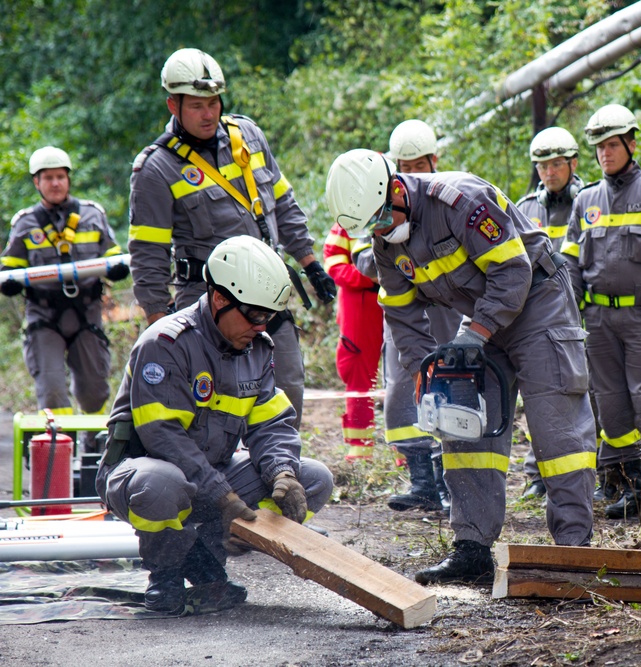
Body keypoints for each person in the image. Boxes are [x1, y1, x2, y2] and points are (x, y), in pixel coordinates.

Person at [326, 149, 596, 585]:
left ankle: (573, 548)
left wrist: (476, 333)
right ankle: (472, 548)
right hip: (479, 320)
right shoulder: (384, 245)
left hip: (536, 303)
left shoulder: (459, 201)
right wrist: (426, 376)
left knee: (555, 426)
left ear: (395, 190)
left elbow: (512, 272)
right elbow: (402, 317)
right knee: (464, 423)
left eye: (380, 219)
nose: (379, 231)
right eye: (370, 228)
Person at [96, 236, 335, 615]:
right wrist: (222, 495)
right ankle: (166, 573)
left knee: (315, 478)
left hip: (213, 474)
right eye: (255, 315)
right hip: (146, 472)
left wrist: (283, 472)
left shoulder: (257, 349)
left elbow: (271, 424)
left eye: (268, 317)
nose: (261, 326)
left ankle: (205, 556)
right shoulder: (164, 344)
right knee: (164, 485)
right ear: (220, 298)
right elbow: (164, 438)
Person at [127, 48, 336, 429]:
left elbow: (283, 204)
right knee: (215, 404)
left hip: (270, 299)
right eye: (196, 106)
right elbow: (148, 256)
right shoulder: (156, 169)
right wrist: (160, 325)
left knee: (287, 391)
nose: (209, 114)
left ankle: (280, 479)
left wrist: (310, 263)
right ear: (173, 105)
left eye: (213, 102)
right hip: (209, 306)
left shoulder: (249, 137)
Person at [561, 104, 641, 521]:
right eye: (599, 147)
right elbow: (569, 264)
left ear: (631, 145)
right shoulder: (585, 200)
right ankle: (630, 491)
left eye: (613, 144)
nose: (606, 153)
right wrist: (569, 313)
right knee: (612, 408)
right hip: (598, 322)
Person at [351, 119, 462, 511]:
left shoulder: (448, 199)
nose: (412, 173)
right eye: (406, 165)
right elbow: (366, 256)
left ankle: (451, 484)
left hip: (447, 313)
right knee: (402, 391)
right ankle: (422, 483)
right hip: (403, 315)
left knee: (452, 388)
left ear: (434, 160)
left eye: (419, 164)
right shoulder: (381, 199)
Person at [1, 146, 130, 447]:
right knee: (52, 389)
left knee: (95, 390)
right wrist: (8, 279)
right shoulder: (25, 223)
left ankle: (93, 444)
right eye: (48, 178)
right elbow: (10, 265)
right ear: (37, 182)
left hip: (86, 313)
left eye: (60, 176)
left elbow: (111, 252)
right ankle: (60, 449)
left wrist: (117, 266)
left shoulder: (92, 214)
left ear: (69, 179)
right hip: (44, 317)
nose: (55, 183)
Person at [514, 126, 586, 501]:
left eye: (557, 164)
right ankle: (536, 474)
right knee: (537, 397)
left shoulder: (588, 201)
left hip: (580, 317)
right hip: (539, 321)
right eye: (542, 166)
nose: (549, 172)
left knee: (582, 398)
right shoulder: (526, 208)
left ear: (573, 163)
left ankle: (596, 474)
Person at [322, 223, 383, 461]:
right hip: (360, 304)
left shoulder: (399, 209)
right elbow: (334, 263)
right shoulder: (349, 219)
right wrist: (371, 279)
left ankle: (408, 449)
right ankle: (360, 446)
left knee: (404, 369)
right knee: (358, 371)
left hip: (401, 301)